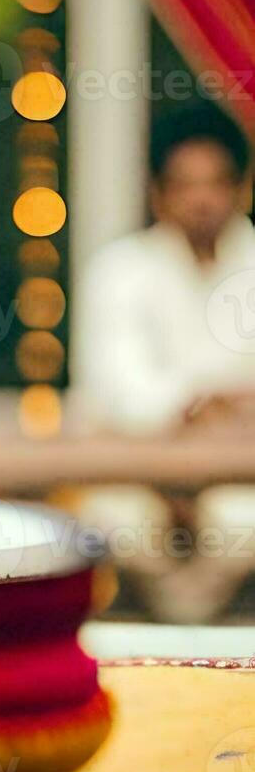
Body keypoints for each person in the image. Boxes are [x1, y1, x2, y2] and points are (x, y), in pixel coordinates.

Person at [73, 105, 255, 623]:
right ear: (157, 192)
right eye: (185, 184)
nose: (201, 200)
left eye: (215, 183)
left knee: (239, 523)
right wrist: (198, 409)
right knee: (118, 522)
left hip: (243, 477)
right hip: (137, 475)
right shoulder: (119, 271)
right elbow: (120, 389)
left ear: (241, 188)